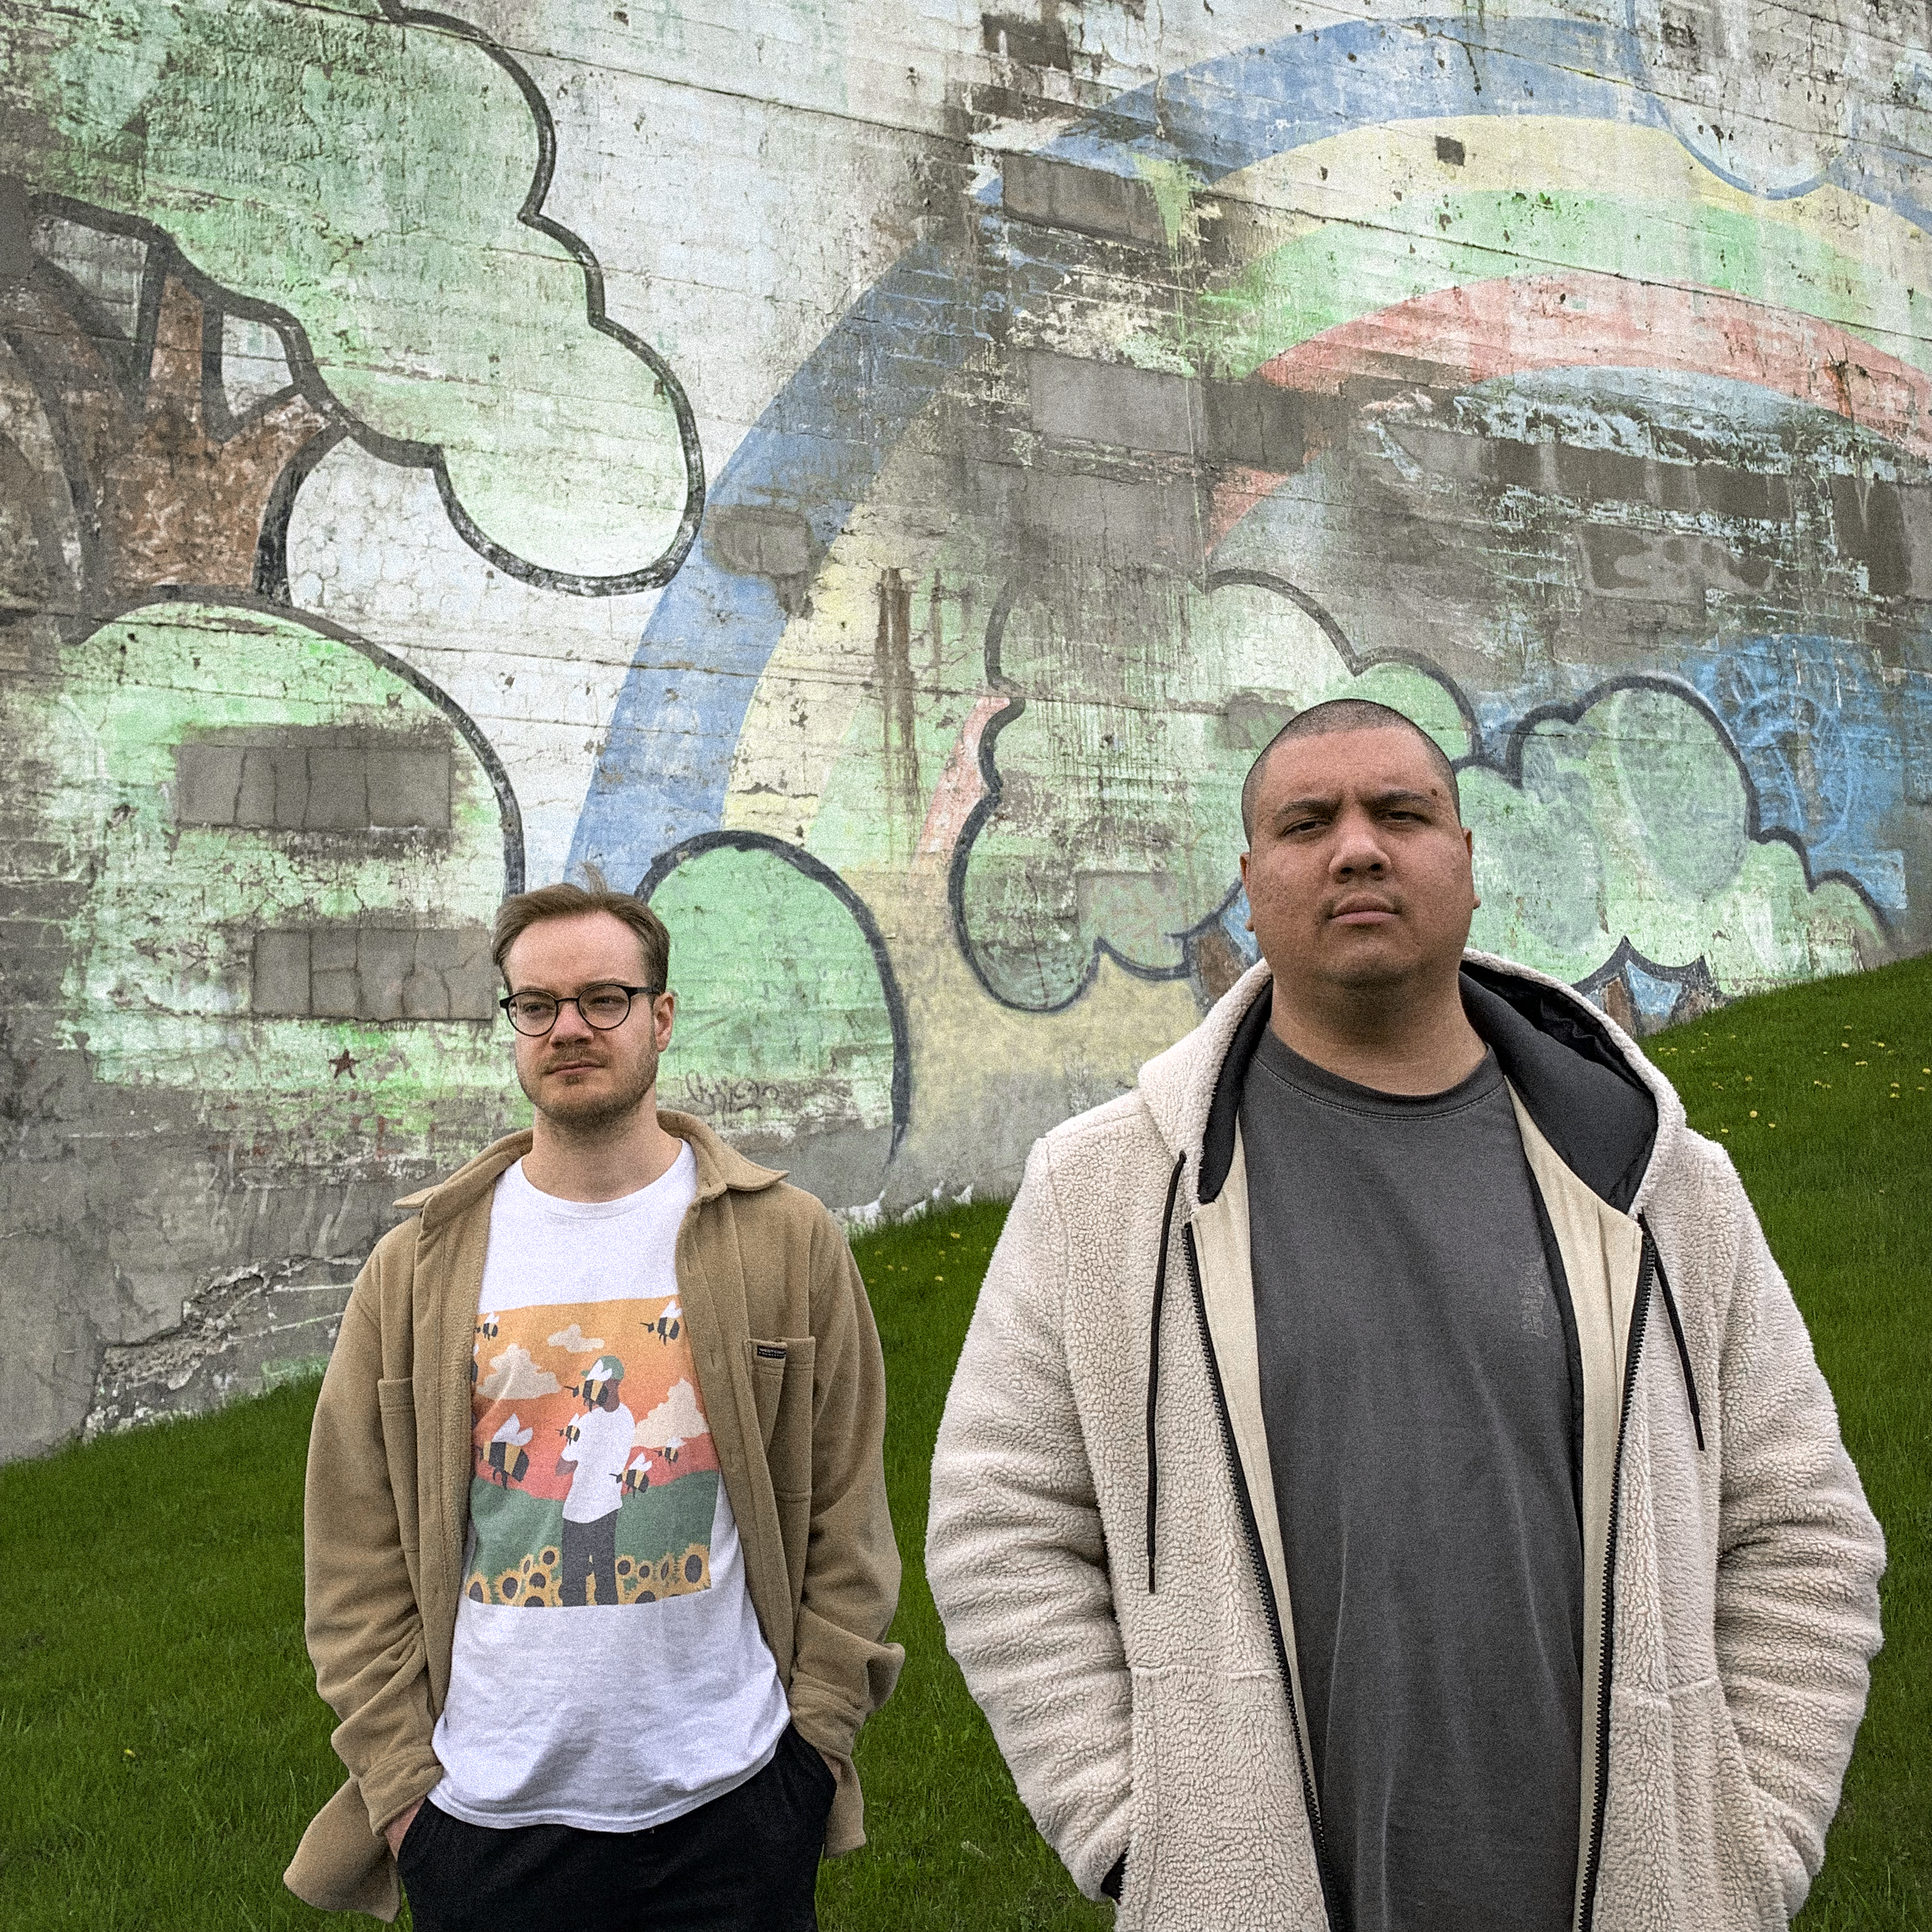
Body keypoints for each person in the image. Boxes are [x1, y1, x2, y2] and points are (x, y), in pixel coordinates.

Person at [927, 699, 1885, 1932]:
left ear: (1469, 864)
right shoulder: (1104, 1192)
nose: (1359, 848)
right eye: (1307, 822)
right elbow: (1000, 1526)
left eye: (1402, 813)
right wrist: (1140, 1833)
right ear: (1252, 882)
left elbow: (1804, 1529)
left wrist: (1752, 1842)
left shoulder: (1659, 1181)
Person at [286, 880, 901, 1930]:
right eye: (537, 1005)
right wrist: (404, 1799)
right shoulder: (418, 1267)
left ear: (660, 1017)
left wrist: (815, 1744)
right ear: (513, 1027)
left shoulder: (786, 1241)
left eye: (603, 999)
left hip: (736, 1805)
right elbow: (352, 1550)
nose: (568, 1027)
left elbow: (847, 1511)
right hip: (485, 1824)